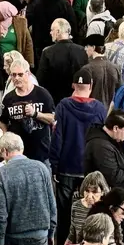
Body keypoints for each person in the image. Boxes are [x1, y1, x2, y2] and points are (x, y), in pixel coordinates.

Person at [53, 70, 107, 220]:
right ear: (91, 86)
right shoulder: (100, 108)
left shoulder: (63, 106)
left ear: (73, 85)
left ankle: (65, 241)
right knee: (91, 208)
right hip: (91, 167)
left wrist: (54, 165)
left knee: (64, 211)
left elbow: (57, 137)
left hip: (67, 166)